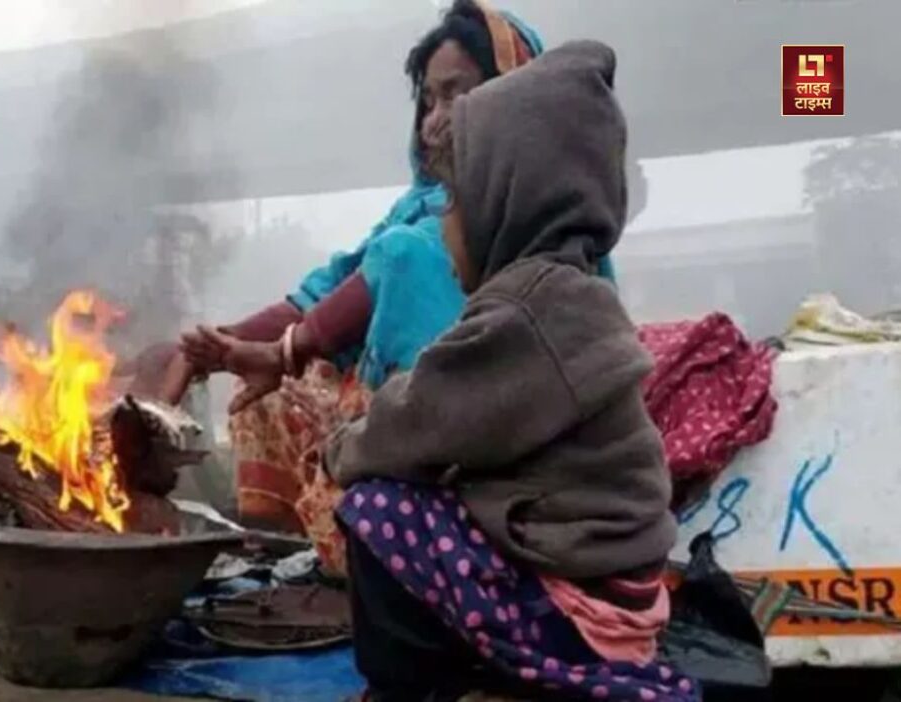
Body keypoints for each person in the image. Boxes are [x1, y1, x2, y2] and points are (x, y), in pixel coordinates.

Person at [167, 0, 615, 576]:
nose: (434, 119)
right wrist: (212, 348)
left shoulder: (540, 218)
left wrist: (286, 355)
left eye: (456, 94)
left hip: (498, 445)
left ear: (513, 99)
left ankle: (398, 535)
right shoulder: (419, 207)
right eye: (428, 101)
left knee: (365, 454)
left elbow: (391, 266)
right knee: (272, 398)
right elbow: (331, 288)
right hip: (427, 422)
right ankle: (311, 550)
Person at [326, 40, 697, 701]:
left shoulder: (525, 310)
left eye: (451, 205)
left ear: (506, 203)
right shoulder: (573, 292)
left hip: (577, 609)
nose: (442, 229)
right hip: (615, 587)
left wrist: (340, 450)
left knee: (378, 508)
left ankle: (413, 690)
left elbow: (420, 420)